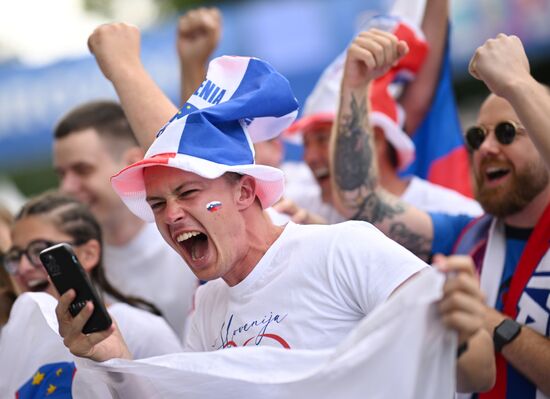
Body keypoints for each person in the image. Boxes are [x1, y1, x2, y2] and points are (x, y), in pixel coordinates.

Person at [55, 38, 494, 393]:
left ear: (245, 190)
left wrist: (462, 335)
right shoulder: (207, 307)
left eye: (188, 192)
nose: (171, 215)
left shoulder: (345, 247)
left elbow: (477, 373)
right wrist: (113, 357)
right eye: (156, 204)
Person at [330, 30, 550, 397]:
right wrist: (355, 86)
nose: (486, 148)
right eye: (477, 137)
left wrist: (516, 82)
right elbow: (361, 201)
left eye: (508, 132)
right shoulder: (466, 237)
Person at [280, 0, 482, 224]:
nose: (309, 157)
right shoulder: (301, 206)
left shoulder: (458, 215)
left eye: (323, 139)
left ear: (375, 138)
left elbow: (420, 100)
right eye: (306, 144)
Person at [53, 101, 198, 339]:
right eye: (61, 174)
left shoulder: (192, 235)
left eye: (82, 170)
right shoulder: (72, 267)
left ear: (132, 163)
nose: (67, 187)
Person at [3, 190, 183, 358]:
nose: (23, 267)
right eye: (15, 256)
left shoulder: (140, 329)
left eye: (40, 251)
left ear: (88, 254)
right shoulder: (15, 342)